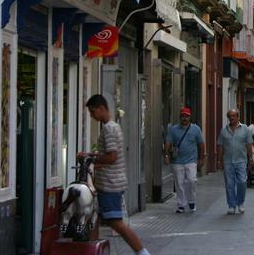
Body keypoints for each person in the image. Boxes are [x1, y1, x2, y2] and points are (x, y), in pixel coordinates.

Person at [85, 94, 150, 255]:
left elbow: (112, 157)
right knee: (94, 219)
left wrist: (90, 157)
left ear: (101, 108)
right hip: (106, 183)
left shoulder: (108, 129)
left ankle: (142, 252)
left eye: (93, 112)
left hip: (110, 183)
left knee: (116, 222)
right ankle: (93, 250)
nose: (92, 116)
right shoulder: (112, 126)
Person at [163, 107, 205, 213]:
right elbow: (168, 142)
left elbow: (201, 144)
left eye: (186, 116)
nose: (184, 118)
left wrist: (201, 158)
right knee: (179, 183)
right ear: (180, 117)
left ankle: (192, 201)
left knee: (191, 180)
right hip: (177, 161)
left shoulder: (196, 129)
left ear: (190, 117)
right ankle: (181, 204)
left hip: (191, 160)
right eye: (183, 116)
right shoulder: (173, 129)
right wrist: (166, 155)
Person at [216, 109, 253, 214]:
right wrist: (219, 160)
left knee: (242, 182)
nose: (231, 118)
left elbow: (249, 145)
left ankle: (240, 202)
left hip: (241, 160)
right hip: (227, 161)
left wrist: (250, 159)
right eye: (230, 116)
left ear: (238, 117)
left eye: (233, 116)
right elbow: (220, 146)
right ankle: (231, 205)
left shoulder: (245, 129)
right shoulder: (224, 130)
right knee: (229, 184)